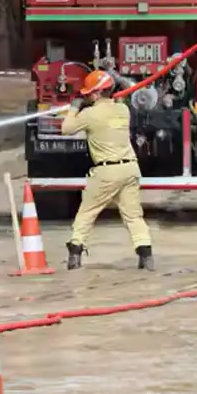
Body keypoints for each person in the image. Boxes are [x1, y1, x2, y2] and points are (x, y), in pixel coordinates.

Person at [61, 69, 154, 272]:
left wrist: (74, 108)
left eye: (89, 93)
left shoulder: (90, 114)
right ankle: (146, 255)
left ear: (95, 93)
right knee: (133, 215)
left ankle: (75, 252)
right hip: (130, 168)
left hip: (106, 171)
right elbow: (117, 100)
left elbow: (66, 128)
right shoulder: (123, 110)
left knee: (87, 212)